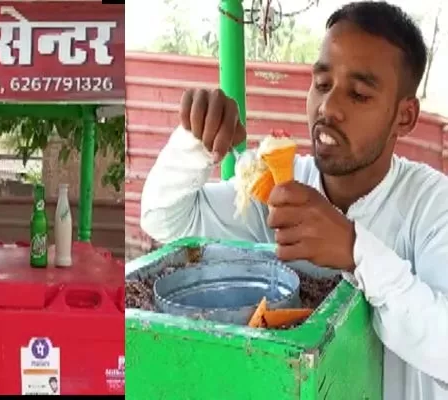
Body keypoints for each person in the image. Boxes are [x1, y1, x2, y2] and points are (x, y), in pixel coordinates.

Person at [140, 2, 447, 399]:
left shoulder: (431, 206)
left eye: (358, 94)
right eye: (321, 84)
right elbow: (165, 220)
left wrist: (356, 252)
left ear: (404, 117)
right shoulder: (282, 188)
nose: (329, 108)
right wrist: (194, 143)